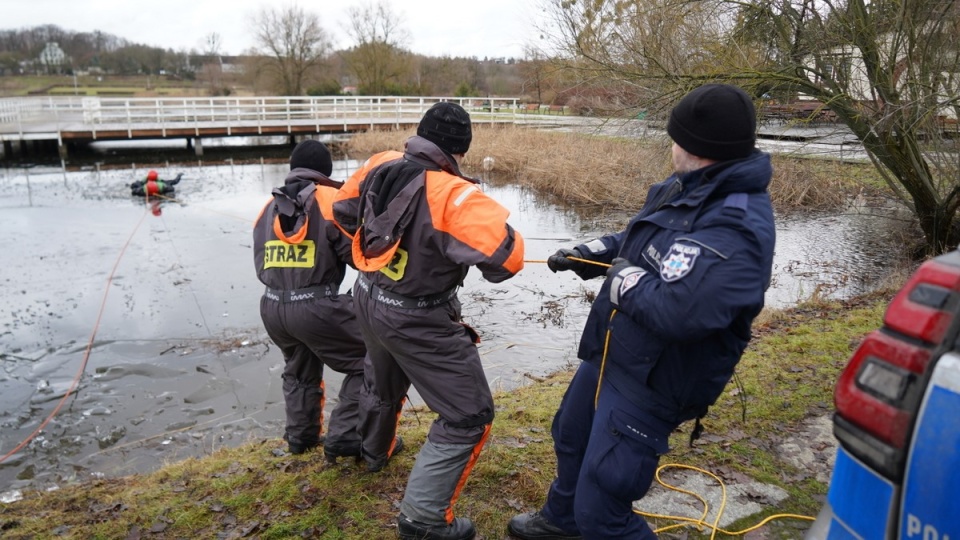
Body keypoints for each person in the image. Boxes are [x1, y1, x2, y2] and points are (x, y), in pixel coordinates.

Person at [507, 84, 776, 539]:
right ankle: (561, 521)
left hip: (657, 377)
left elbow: (681, 311)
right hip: (616, 349)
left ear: (697, 147)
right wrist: (589, 253)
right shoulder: (681, 187)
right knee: (570, 433)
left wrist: (618, 278)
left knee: (605, 501)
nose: (671, 144)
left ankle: (587, 521)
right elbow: (640, 240)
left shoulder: (737, 224)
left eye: (677, 136)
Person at [333, 102, 525, 540]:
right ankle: (422, 520)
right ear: (462, 149)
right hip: (417, 318)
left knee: (380, 384)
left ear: (419, 136)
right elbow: (508, 260)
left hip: (366, 297)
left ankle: (373, 452)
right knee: (468, 414)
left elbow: (342, 212)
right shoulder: (454, 195)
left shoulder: (379, 163)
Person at [253, 139, 368, 461]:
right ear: (326, 171)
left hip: (273, 307)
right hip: (317, 307)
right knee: (373, 359)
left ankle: (300, 439)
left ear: (292, 169)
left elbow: (260, 262)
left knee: (299, 369)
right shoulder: (331, 200)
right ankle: (347, 436)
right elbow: (359, 257)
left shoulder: (268, 207)